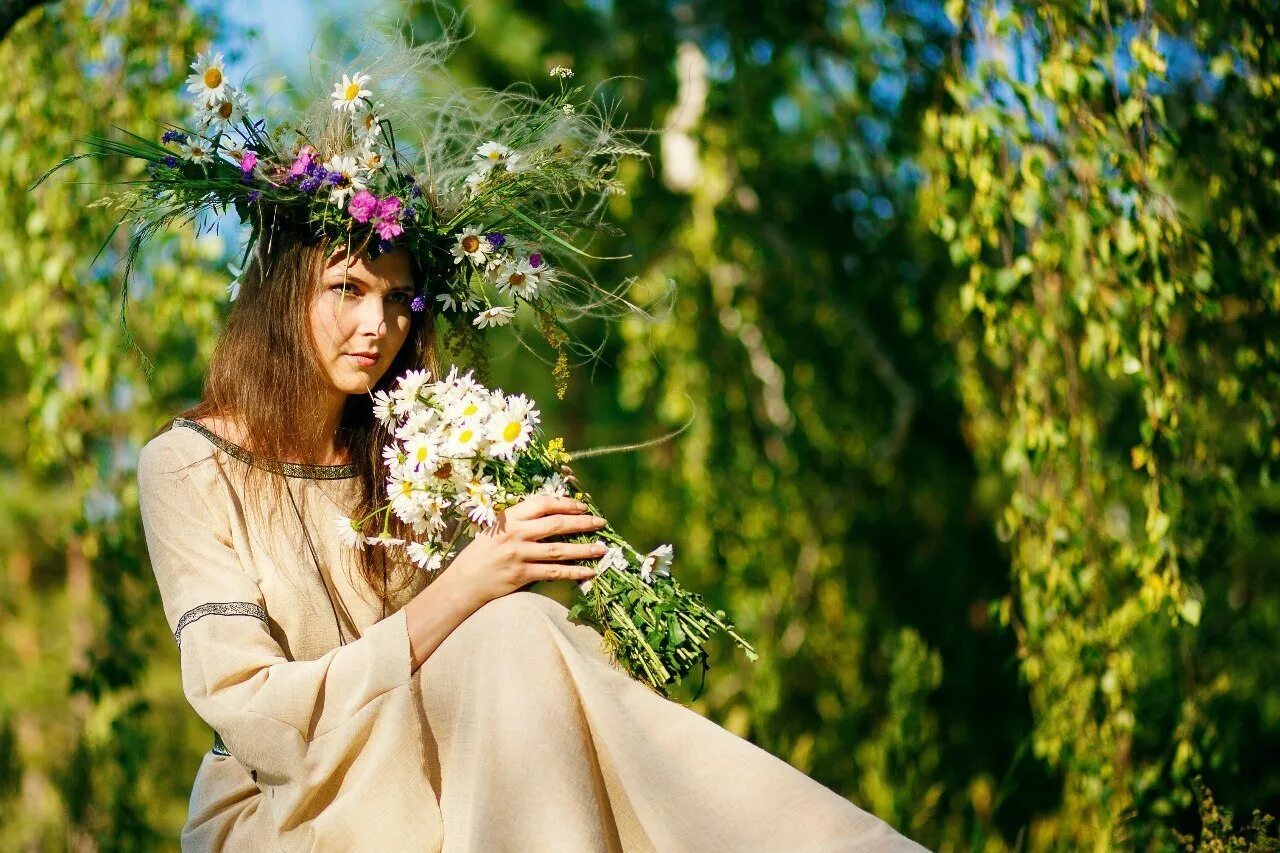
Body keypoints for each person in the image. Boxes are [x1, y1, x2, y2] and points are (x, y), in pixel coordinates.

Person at [137, 224, 927, 851]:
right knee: (506, 627)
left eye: (400, 297)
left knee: (519, 629)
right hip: (284, 806)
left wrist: (524, 551)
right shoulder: (185, 465)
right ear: (280, 296)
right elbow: (250, 712)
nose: (377, 323)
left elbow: (465, 668)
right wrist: (468, 586)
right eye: (346, 287)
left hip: (434, 769)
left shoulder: (413, 448)